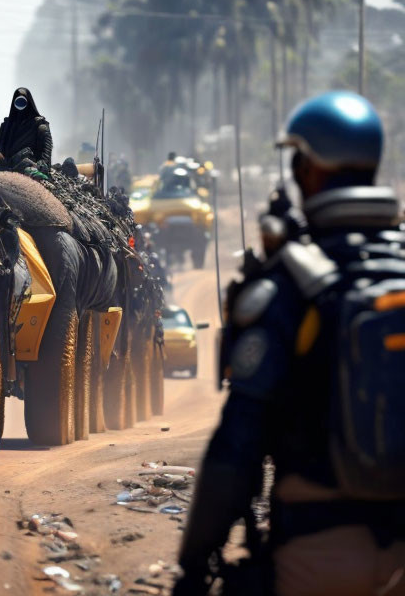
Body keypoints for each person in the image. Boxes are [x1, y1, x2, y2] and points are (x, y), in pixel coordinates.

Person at [174, 91, 405, 596]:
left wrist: (194, 563)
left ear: (312, 169)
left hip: (321, 551)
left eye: (300, 160)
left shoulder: (289, 289)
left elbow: (237, 447)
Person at [0, 88, 52, 168]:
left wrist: (40, 165)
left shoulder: (40, 125)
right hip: (7, 166)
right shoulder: (7, 125)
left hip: (31, 167)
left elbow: (46, 152)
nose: (20, 105)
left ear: (29, 102)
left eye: (22, 102)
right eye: (18, 102)